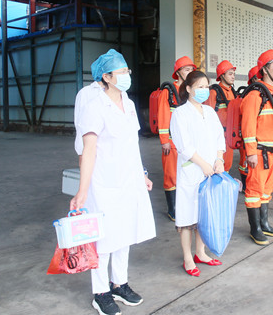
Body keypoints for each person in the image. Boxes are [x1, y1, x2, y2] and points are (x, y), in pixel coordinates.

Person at [71, 49, 156, 315]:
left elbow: (132, 145)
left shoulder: (128, 103)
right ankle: (100, 293)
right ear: (106, 77)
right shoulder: (94, 106)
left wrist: (142, 173)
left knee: (125, 233)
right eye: (121, 72)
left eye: (127, 71)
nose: (127, 75)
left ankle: (119, 283)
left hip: (129, 180)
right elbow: (89, 150)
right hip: (103, 182)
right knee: (104, 238)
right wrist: (82, 191)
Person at [170, 70, 225, 277]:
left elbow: (220, 138)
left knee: (204, 215)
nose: (204, 90)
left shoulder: (210, 112)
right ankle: (188, 258)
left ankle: (200, 253)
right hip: (192, 170)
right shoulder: (180, 114)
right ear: (188, 88)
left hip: (210, 170)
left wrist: (219, 159)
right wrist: (202, 164)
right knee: (187, 218)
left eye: (206, 87)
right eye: (199, 87)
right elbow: (184, 145)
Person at [241, 49, 273, 245]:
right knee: (254, 190)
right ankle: (255, 229)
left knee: (267, 189)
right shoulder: (254, 95)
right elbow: (248, 127)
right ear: (265, 70)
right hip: (259, 153)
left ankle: (264, 223)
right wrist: (250, 153)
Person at [158, 56, 196, 221]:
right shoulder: (167, 92)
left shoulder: (190, 91)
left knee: (188, 173)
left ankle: (184, 205)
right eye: (187, 69)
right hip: (172, 142)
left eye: (191, 70)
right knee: (171, 175)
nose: (190, 72)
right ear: (178, 72)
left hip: (188, 142)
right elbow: (163, 116)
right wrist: (164, 140)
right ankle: (172, 209)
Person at [205, 60, 236, 172]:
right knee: (217, 163)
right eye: (230, 74)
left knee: (227, 164)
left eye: (233, 74)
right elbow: (207, 116)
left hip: (230, 135)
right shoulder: (214, 92)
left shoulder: (232, 92)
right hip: (218, 136)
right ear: (222, 75)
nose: (233, 77)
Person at [237, 66, 259, 192]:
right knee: (244, 161)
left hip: (255, 137)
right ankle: (245, 184)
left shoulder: (262, 94)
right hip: (246, 135)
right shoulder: (250, 95)